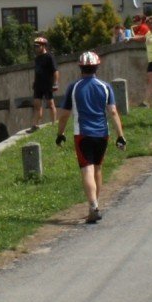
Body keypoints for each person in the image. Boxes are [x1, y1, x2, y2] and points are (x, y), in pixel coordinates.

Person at [54, 49, 126, 224]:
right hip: (102, 133)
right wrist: (120, 136)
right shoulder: (105, 86)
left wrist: (60, 133)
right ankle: (94, 206)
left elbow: (64, 115)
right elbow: (113, 112)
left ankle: (93, 206)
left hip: (83, 134)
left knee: (87, 168)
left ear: (80, 68)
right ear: (97, 67)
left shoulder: (74, 87)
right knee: (98, 169)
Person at [30, 34, 59, 125]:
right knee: (37, 105)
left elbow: (55, 71)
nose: (36, 48)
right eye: (35, 46)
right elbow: (36, 71)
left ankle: (53, 123)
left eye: (38, 46)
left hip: (47, 84)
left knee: (50, 104)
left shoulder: (49, 57)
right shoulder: (37, 58)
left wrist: (55, 83)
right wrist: (34, 82)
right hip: (38, 85)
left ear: (43, 46)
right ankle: (35, 125)